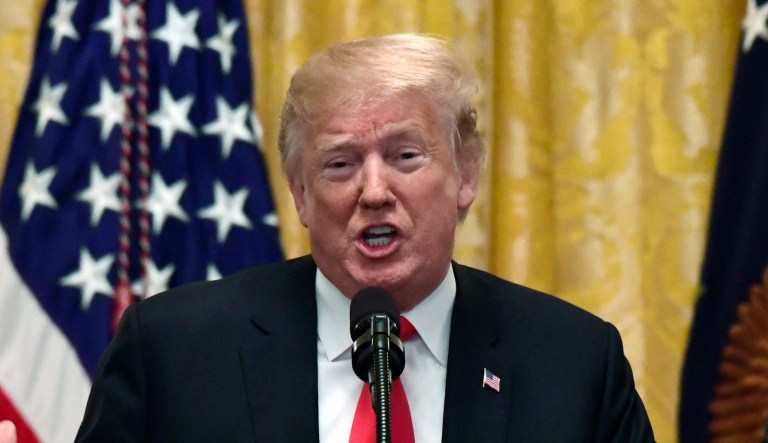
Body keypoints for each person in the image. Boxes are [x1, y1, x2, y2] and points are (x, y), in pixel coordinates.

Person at [74, 34, 655, 441]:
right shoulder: (174, 351)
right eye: (340, 165)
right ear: (300, 194)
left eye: (405, 156)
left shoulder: (575, 364)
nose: (373, 191)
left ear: (466, 174)